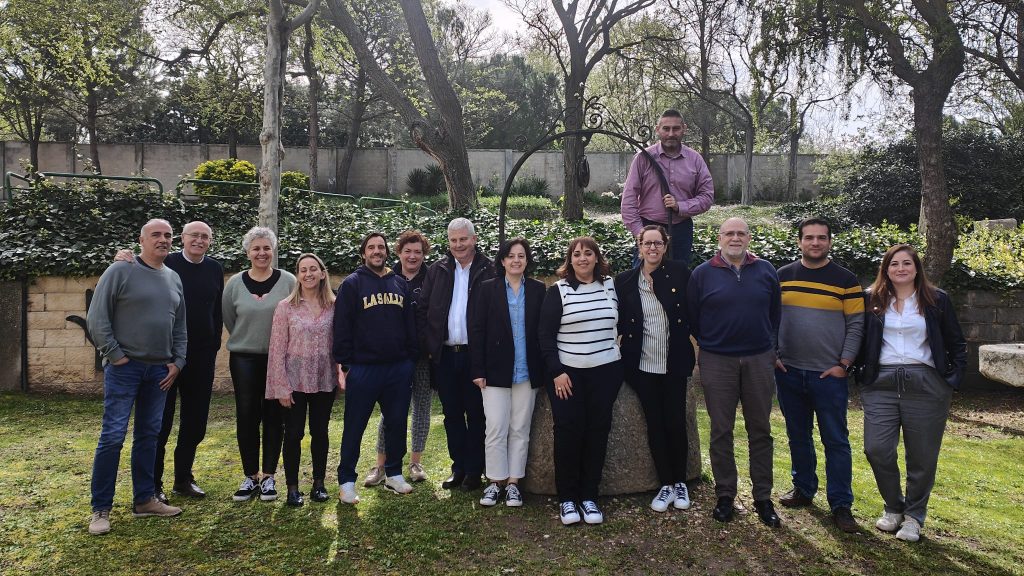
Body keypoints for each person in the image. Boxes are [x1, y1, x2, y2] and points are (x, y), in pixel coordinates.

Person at [856, 244, 966, 543]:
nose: (900, 268)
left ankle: (914, 516)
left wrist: (950, 380)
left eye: (907, 263)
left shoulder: (936, 299)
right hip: (881, 383)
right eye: (894, 264)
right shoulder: (871, 299)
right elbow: (859, 338)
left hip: (926, 384)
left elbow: (957, 343)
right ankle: (893, 507)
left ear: (917, 268)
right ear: (886, 269)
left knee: (923, 455)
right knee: (876, 448)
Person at [86, 219, 187, 535]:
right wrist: (116, 355)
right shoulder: (121, 270)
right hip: (124, 369)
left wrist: (178, 361)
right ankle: (101, 509)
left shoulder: (173, 278)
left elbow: (180, 326)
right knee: (113, 436)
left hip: (160, 371)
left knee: (149, 436)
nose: (163, 239)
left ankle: (144, 500)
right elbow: (97, 317)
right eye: (155, 234)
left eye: (168, 235)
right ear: (141, 240)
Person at [113, 221, 223, 503]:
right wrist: (122, 255)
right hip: (167, 357)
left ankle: (183, 478)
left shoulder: (214, 269)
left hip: (200, 358)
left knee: (195, 422)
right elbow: (136, 264)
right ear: (182, 239)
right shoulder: (166, 264)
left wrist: (213, 346)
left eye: (205, 237)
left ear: (210, 242)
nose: (199, 240)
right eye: (194, 235)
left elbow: (216, 311)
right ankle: (154, 484)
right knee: (159, 423)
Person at [687, 217, 782, 527]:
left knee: (760, 430)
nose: (735, 238)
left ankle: (763, 497)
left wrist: (768, 348)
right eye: (730, 233)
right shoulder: (702, 274)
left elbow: (774, 314)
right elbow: (694, 318)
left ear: (749, 237)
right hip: (718, 360)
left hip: (758, 359)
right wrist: (714, 343)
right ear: (720, 237)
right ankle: (725, 494)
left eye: (741, 233)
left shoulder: (766, 270)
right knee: (721, 430)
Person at [775, 218, 864, 533]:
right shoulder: (782, 276)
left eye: (821, 238)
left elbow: (856, 324)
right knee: (798, 436)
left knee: (836, 441)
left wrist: (845, 363)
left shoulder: (845, 280)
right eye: (809, 238)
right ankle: (803, 489)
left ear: (829, 242)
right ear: (799, 241)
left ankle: (841, 505)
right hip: (788, 372)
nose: (815, 243)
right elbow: (769, 318)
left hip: (829, 375)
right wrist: (773, 355)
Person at [538, 237, 623, 526]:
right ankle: (567, 499)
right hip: (567, 375)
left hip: (606, 372)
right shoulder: (558, 291)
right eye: (577, 254)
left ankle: (589, 496)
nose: (583, 258)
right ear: (570, 260)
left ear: (597, 258)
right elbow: (545, 337)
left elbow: (621, 323)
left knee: (598, 432)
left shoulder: (611, 286)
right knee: (569, 432)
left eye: (589, 253)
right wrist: (557, 372)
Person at [615, 225, 695, 513]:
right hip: (641, 365)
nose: (652, 248)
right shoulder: (625, 281)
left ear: (665, 245)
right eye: (647, 243)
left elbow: (693, 311)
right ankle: (665, 483)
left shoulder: (680, 272)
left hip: (673, 363)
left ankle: (680, 481)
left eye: (657, 243)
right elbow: (617, 320)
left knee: (675, 421)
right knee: (655, 423)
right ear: (639, 246)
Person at [333, 232, 419, 504]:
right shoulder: (352, 284)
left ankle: (393, 473)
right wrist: (344, 364)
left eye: (381, 247)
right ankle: (347, 481)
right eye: (371, 247)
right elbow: (342, 327)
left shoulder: (399, 283)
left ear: (386, 252)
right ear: (363, 253)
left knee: (396, 423)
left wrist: (410, 360)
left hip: (397, 368)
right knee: (354, 426)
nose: (377, 251)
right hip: (363, 368)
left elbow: (410, 325)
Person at [418, 218, 495, 491]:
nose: (459, 245)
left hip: (475, 355)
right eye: (453, 240)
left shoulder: (489, 269)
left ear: (474, 239)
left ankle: (475, 470)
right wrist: (429, 346)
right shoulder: (437, 270)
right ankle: (458, 468)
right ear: (448, 241)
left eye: (463, 239)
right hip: (446, 356)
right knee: (451, 414)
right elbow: (424, 308)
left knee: (476, 414)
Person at [470, 238, 545, 507]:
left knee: (520, 428)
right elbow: (477, 330)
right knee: (496, 428)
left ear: (527, 261)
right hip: (494, 372)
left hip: (527, 372)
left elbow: (543, 332)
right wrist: (477, 369)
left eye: (521, 256)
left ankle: (513, 483)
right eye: (511, 256)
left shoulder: (538, 290)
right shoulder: (487, 289)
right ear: (502, 261)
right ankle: (495, 481)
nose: (516, 260)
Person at [222, 226, 296, 503]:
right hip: (244, 359)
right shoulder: (235, 284)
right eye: (256, 248)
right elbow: (230, 319)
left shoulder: (288, 281)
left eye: (266, 247)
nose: (262, 253)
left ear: (273, 250)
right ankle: (250, 475)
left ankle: (268, 476)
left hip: (279, 359)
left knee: (274, 416)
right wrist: (248, 339)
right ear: (247, 252)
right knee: (247, 415)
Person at [265, 253, 338, 507]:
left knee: (320, 432)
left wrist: (341, 373)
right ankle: (293, 488)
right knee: (294, 433)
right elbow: (276, 349)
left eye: (313, 269)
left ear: (322, 273)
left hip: (324, 379)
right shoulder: (286, 307)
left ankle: (319, 484)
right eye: (303, 270)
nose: (308, 274)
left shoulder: (333, 305)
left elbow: (339, 343)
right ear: (298, 275)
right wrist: (280, 386)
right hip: (294, 382)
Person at [364, 231, 433, 487]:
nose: (412, 256)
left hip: (424, 356)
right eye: (408, 251)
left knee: (422, 408)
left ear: (424, 254)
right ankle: (380, 465)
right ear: (399, 253)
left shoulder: (433, 278)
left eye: (418, 251)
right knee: (390, 412)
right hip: (394, 358)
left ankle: (415, 462)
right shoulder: (387, 278)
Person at [620, 108, 714, 267]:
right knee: (643, 278)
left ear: (684, 128)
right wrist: (640, 233)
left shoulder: (695, 159)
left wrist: (680, 206)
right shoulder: (644, 158)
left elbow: (707, 196)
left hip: (680, 230)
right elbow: (628, 200)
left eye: (676, 128)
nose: (671, 134)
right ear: (658, 130)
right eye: (666, 128)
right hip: (648, 226)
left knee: (677, 280)